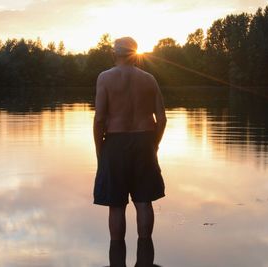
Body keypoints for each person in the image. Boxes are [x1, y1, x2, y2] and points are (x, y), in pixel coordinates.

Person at [93, 37, 166, 265]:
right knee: (144, 202)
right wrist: (154, 144)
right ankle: (145, 252)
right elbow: (162, 119)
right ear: (135, 54)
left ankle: (117, 255)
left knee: (116, 205)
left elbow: (99, 120)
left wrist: (100, 151)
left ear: (115, 54)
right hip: (145, 141)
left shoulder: (105, 78)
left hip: (115, 143)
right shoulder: (149, 79)